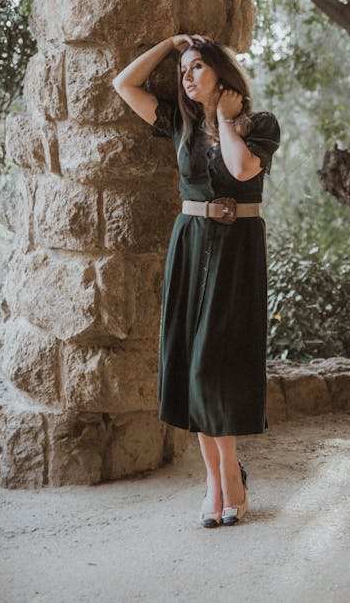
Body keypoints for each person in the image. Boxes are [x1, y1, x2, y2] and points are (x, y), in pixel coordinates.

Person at [113, 34, 280, 527]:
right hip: (189, 246)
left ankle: (226, 474)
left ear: (223, 72)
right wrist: (170, 45)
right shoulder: (177, 122)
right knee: (191, 367)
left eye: (197, 68)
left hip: (236, 249)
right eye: (183, 71)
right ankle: (220, 480)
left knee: (212, 365)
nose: (187, 78)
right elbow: (124, 84)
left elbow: (240, 167)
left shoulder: (260, 124)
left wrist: (227, 119)